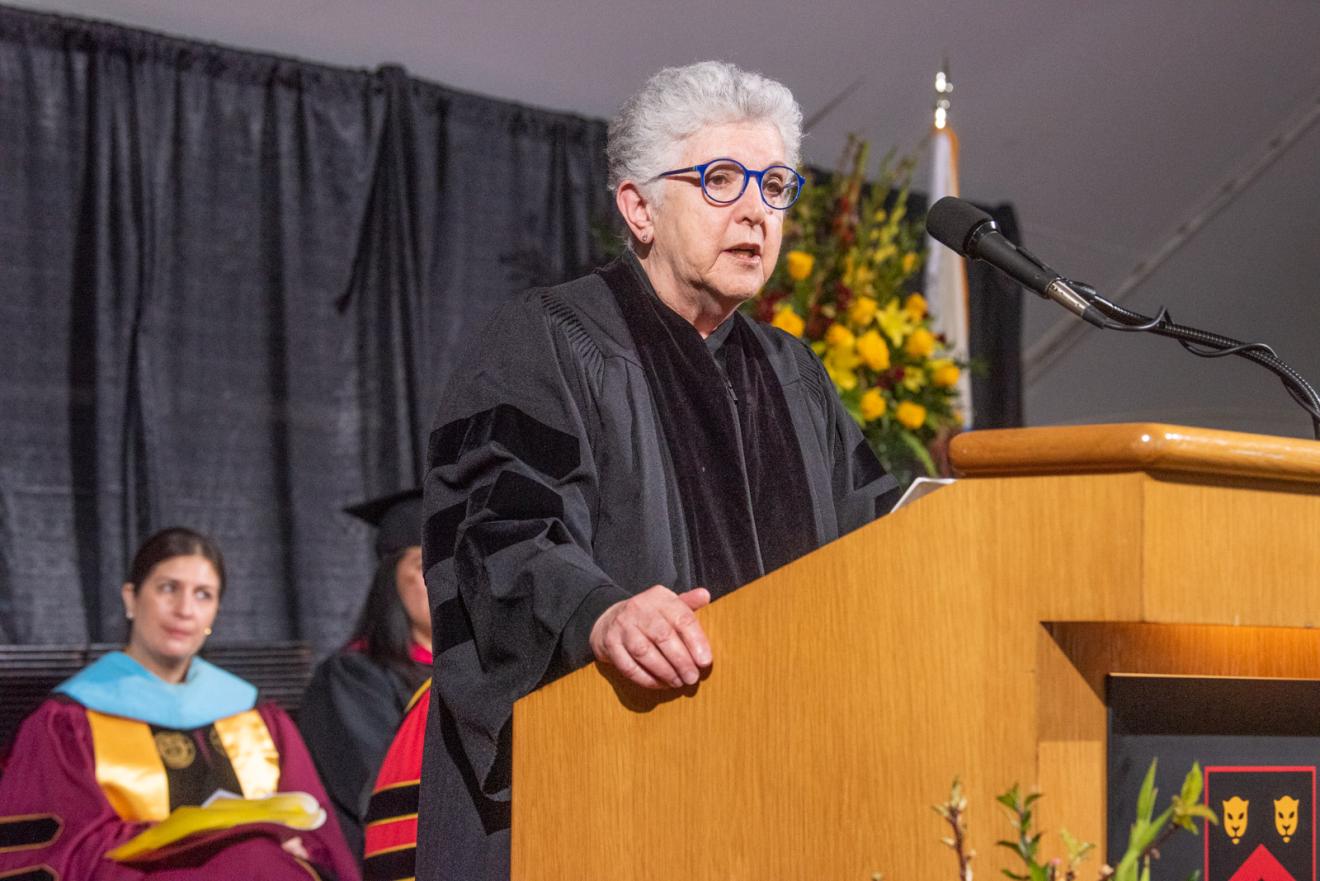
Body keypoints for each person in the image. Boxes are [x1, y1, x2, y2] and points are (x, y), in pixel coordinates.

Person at [415, 60, 900, 881]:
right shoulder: (552, 338)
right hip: (602, 799)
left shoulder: (794, 375)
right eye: (720, 179)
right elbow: (494, 532)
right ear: (637, 206)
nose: (756, 210)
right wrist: (599, 614)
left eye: (776, 185)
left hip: (779, 801)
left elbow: (877, 546)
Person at [0, 526, 360, 880]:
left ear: (216, 611)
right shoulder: (69, 721)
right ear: (131, 597)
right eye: (168, 588)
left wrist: (298, 846)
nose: (185, 609)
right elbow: (61, 849)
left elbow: (317, 826)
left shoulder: (254, 714)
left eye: (203, 594)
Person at [299, 489, 432, 860]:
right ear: (390, 580)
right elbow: (382, 792)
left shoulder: (485, 675)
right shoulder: (351, 678)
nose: (446, 581)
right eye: (426, 566)